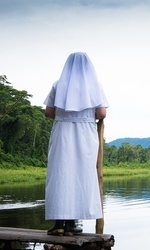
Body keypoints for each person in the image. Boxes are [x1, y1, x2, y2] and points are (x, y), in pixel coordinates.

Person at [44, 52, 109, 236]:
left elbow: (49, 112)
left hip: (62, 132)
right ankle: (72, 224)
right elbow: (102, 113)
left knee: (60, 174)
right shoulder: (95, 86)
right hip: (85, 134)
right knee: (81, 174)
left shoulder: (58, 85)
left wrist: (66, 115)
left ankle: (59, 224)